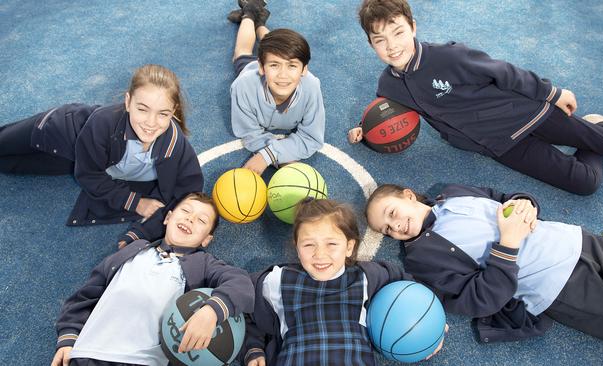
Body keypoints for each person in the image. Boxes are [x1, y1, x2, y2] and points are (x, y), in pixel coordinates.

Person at [347, 0, 603, 195]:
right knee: (585, 184)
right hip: (499, 146)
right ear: (371, 44)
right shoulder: (389, 84)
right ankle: (597, 126)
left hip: (528, 114)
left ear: (413, 27)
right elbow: (385, 110)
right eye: (380, 40)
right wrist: (365, 129)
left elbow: (505, 72)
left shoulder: (449, 56)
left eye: (398, 33)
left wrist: (553, 93)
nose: (392, 46)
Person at [365, 183, 603, 343]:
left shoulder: (452, 192)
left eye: (391, 213)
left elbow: (504, 199)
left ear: (408, 195)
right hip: (561, 289)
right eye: (386, 230)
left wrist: (525, 202)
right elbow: (478, 300)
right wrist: (509, 244)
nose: (395, 226)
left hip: (577, 242)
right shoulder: (422, 258)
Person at [0, 64, 204, 245]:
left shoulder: (176, 146)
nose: (151, 122)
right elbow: (88, 175)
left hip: (71, 160)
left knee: (9, 166)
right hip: (59, 132)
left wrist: (143, 233)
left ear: (174, 111)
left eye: (163, 114)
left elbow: (191, 197)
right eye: (142, 109)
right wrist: (136, 202)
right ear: (128, 102)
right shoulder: (103, 121)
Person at [51, 192, 255, 366]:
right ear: (167, 218)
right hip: (87, 353)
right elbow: (86, 296)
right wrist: (68, 336)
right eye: (185, 211)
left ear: (206, 240)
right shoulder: (133, 250)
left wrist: (212, 311)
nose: (191, 219)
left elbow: (241, 282)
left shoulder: (202, 263)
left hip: (142, 361)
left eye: (201, 220)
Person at [241, 198, 445, 366]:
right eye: (309, 244)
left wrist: (431, 329)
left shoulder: (366, 276)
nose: (320, 254)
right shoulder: (278, 280)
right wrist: (253, 348)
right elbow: (245, 310)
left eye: (331, 243)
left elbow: (412, 291)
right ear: (296, 246)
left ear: (349, 247)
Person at [227, 0, 325, 175]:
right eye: (274, 66)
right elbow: (250, 133)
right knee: (241, 53)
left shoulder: (312, 86)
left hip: (270, 63)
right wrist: (283, 157)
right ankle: (249, 13)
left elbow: (312, 137)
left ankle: (260, 22)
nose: (283, 75)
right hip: (252, 73)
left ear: (304, 70)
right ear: (262, 68)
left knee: (275, 47)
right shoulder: (243, 86)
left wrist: (269, 155)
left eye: (292, 66)